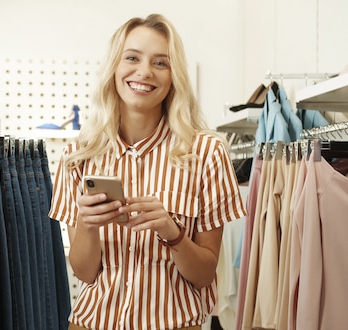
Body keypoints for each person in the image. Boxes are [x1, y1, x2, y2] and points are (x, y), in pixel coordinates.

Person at [49, 13, 247, 330]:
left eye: (160, 63)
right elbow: (85, 273)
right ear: (114, 66)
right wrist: (87, 225)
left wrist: (173, 233)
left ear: (173, 77)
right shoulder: (79, 155)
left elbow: (205, 274)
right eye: (132, 58)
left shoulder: (207, 153)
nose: (144, 72)